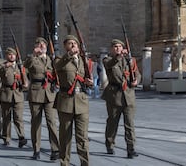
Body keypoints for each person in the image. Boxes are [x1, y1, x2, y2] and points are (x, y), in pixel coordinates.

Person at [54, 35, 93, 166]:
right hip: (66, 101)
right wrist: (69, 55)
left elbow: (88, 79)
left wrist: (90, 82)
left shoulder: (84, 61)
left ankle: (85, 163)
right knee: (65, 136)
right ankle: (64, 162)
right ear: (65, 46)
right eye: (69, 43)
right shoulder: (61, 59)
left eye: (74, 43)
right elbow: (58, 67)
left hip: (81, 101)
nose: (73, 45)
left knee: (82, 137)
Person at [101, 39, 141, 158]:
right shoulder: (108, 60)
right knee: (112, 122)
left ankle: (131, 148)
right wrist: (119, 56)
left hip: (128, 95)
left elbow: (137, 73)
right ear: (111, 49)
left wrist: (136, 81)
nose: (118, 48)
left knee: (129, 123)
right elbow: (110, 65)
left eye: (119, 46)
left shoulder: (129, 60)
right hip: (114, 95)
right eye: (115, 47)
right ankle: (110, 143)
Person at [24, 37, 59, 160]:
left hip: (49, 93)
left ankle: (55, 149)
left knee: (52, 122)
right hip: (36, 92)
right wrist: (34, 54)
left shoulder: (51, 59)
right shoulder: (33, 59)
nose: (41, 45)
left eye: (43, 44)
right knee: (36, 123)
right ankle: (36, 149)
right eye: (39, 44)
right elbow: (26, 65)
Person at [0, 47, 28, 147]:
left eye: (13, 54)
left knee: (18, 117)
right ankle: (6, 137)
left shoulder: (20, 66)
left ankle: (21, 137)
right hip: (6, 94)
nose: (11, 56)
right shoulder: (2, 65)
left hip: (18, 94)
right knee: (6, 118)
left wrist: (25, 84)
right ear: (6, 56)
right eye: (9, 54)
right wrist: (6, 66)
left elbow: (25, 78)